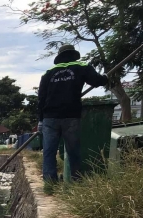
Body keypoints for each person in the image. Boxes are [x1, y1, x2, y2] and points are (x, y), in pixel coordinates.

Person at [38, 44, 109, 182]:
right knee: (73, 150)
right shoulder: (82, 66)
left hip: (50, 117)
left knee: (49, 151)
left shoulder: (48, 72)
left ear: (59, 56)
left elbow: (41, 98)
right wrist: (105, 77)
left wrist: (40, 119)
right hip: (71, 116)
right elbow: (97, 81)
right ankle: (76, 180)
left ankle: (50, 182)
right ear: (73, 54)